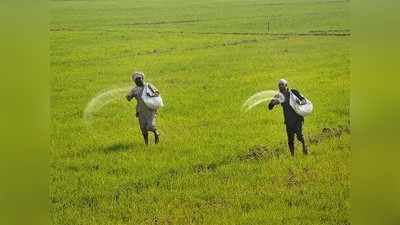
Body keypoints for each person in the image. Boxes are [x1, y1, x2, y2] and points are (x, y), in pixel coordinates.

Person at [268, 79, 308, 156]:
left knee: (299, 136)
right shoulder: (278, 96)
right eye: (279, 85)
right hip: (288, 121)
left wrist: (300, 102)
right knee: (290, 140)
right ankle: (292, 156)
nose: (280, 86)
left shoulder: (293, 92)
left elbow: (304, 100)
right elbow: (269, 107)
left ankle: (304, 146)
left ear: (286, 85)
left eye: (282, 84)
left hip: (297, 119)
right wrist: (272, 103)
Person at [126, 71, 160, 145]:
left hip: (150, 110)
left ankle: (156, 133)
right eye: (136, 80)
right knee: (143, 128)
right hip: (140, 111)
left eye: (139, 79)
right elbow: (129, 97)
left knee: (150, 126)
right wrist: (128, 97)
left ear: (142, 78)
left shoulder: (148, 86)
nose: (138, 81)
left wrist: (151, 94)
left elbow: (157, 93)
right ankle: (146, 143)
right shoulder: (134, 90)